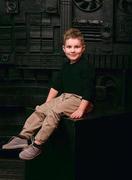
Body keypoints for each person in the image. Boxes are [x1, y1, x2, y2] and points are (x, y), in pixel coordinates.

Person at [2, 28, 95, 160]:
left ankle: (38, 145)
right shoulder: (66, 66)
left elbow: (88, 89)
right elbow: (56, 87)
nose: (73, 50)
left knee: (54, 112)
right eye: (69, 47)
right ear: (64, 48)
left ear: (83, 48)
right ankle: (24, 137)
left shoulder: (87, 66)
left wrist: (81, 109)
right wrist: (47, 104)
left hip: (80, 100)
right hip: (65, 97)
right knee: (41, 109)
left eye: (77, 47)